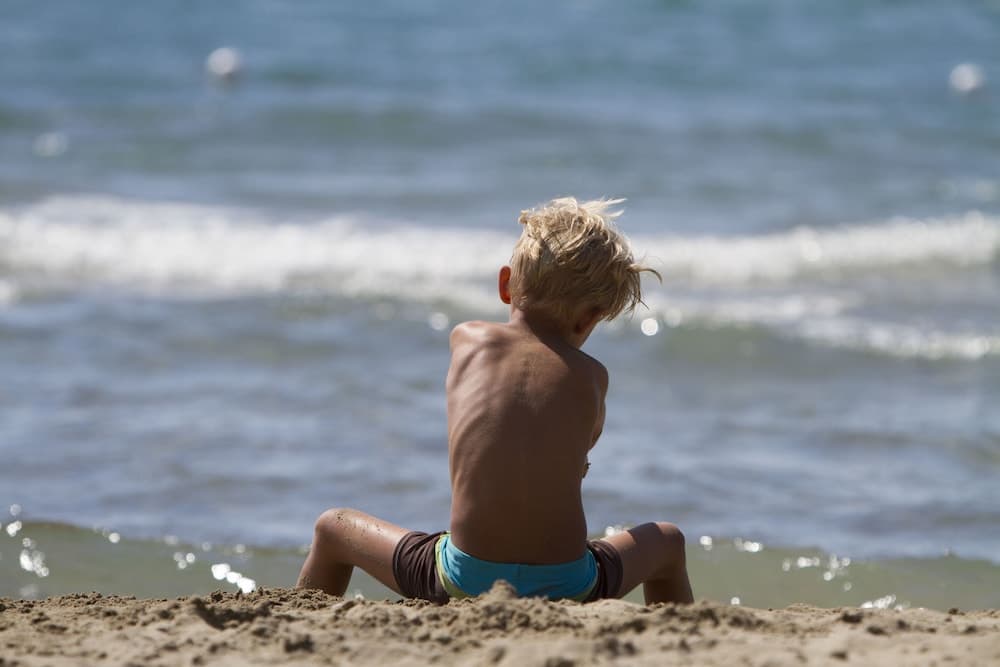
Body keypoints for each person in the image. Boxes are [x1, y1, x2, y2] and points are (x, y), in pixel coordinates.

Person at [297, 197, 693, 605]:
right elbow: (576, 457)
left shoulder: (466, 340)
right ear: (589, 318)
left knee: (333, 526)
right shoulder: (593, 376)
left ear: (506, 285)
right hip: (570, 584)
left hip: (460, 580)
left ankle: (300, 621)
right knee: (668, 540)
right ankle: (682, 635)